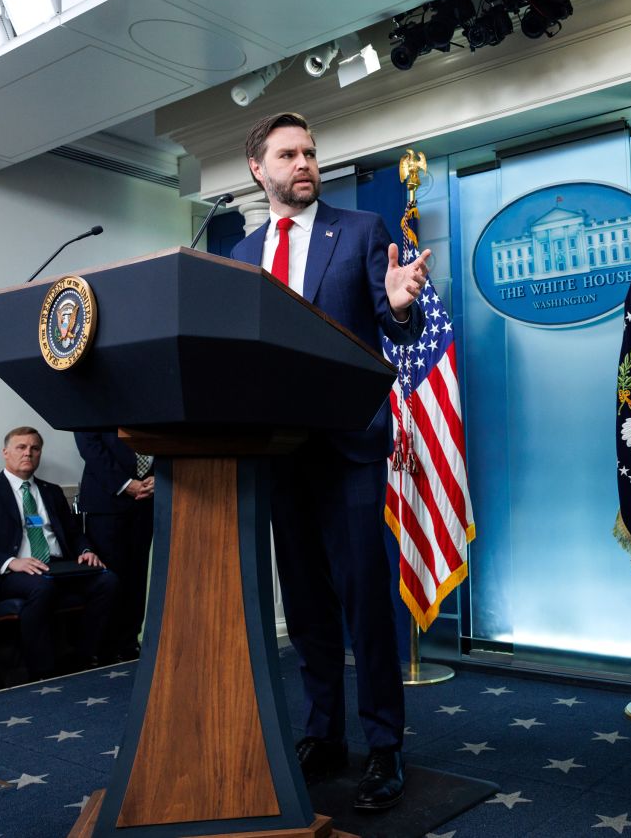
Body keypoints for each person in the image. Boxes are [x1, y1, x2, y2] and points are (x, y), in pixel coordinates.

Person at [230, 112, 428, 811]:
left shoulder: (362, 232)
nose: (305, 162)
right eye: (288, 154)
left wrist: (401, 306)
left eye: (311, 151)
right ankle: (324, 733)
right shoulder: (241, 251)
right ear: (259, 169)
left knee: (365, 601)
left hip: (348, 446)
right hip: (279, 452)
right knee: (308, 605)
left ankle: (384, 746)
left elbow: (393, 312)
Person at [0, 427, 119, 678]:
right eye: (21, 447)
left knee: (107, 580)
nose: (28, 453)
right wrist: (11, 562)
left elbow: (74, 533)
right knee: (41, 586)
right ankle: (41, 670)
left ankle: (85, 657)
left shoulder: (51, 491)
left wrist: (86, 550)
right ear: (6, 452)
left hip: (58, 565)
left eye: (34, 448)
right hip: (11, 572)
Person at [74, 431, 153, 659]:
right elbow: (90, 446)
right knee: (111, 578)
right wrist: (125, 484)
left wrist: (161, 476)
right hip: (107, 502)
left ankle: (128, 645)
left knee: (137, 578)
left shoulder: (154, 402)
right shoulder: (96, 400)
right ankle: (102, 650)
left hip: (148, 500)